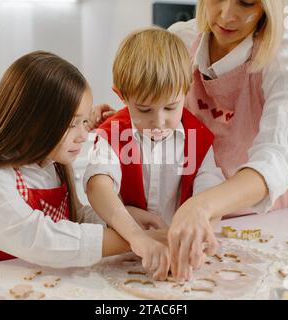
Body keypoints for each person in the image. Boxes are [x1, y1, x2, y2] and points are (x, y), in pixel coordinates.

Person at [0, 51, 158, 269]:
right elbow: (44, 241)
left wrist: (125, 219)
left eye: (85, 121)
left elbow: (75, 220)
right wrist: (136, 239)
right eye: (71, 124)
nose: (83, 135)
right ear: (30, 122)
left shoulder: (53, 167)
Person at [166, 0, 288, 280]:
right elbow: (150, 104)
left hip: (258, 221)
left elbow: (275, 161)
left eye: (246, 2)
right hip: (190, 210)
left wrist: (203, 204)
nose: (226, 14)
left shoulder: (283, 61)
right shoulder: (180, 40)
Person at [84, 27, 224, 280]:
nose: (158, 121)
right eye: (144, 110)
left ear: (186, 90)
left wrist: (203, 231)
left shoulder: (198, 137)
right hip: (119, 252)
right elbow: (98, 186)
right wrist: (137, 237)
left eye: (171, 107)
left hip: (177, 253)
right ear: (122, 96)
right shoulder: (113, 133)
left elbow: (210, 191)